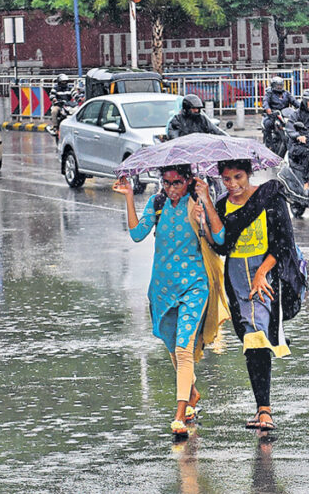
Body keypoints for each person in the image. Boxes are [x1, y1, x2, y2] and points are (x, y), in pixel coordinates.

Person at [114, 166, 228, 438]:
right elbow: (137, 234)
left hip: (194, 287)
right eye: (166, 182)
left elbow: (220, 240)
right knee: (173, 349)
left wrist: (205, 214)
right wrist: (130, 195)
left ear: (189, 181)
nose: (171, 188)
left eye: (177, 183)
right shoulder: (157, 203)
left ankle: (180, 414)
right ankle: (192, 392)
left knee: (184, 348)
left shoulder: (197, 203)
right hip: (163, 289)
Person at [197, 159, 307, 432]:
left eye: (238, 177)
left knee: (257, 336)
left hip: (266, 277)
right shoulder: (221, 205)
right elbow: (221, 246)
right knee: (250, 339)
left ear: (249, 173)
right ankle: (261, 409)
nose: (233, 185)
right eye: (226, 179)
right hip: (236, 281)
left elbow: (284, 242)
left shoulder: (270, 197)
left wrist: (261, 274)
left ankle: (265, 411)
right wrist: (205, 217)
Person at [262, 77, 298, 144]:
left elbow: (294, 101)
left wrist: (301, 107)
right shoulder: (269, 93)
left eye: (280, 85)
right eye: (277, 85)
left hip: (285, 115)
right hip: (273, 114)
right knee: (268, 124)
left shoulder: (286, 93)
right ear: (273, 85)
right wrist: (268, 109)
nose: (279, 87)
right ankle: (269, 143)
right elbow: (265, 102)